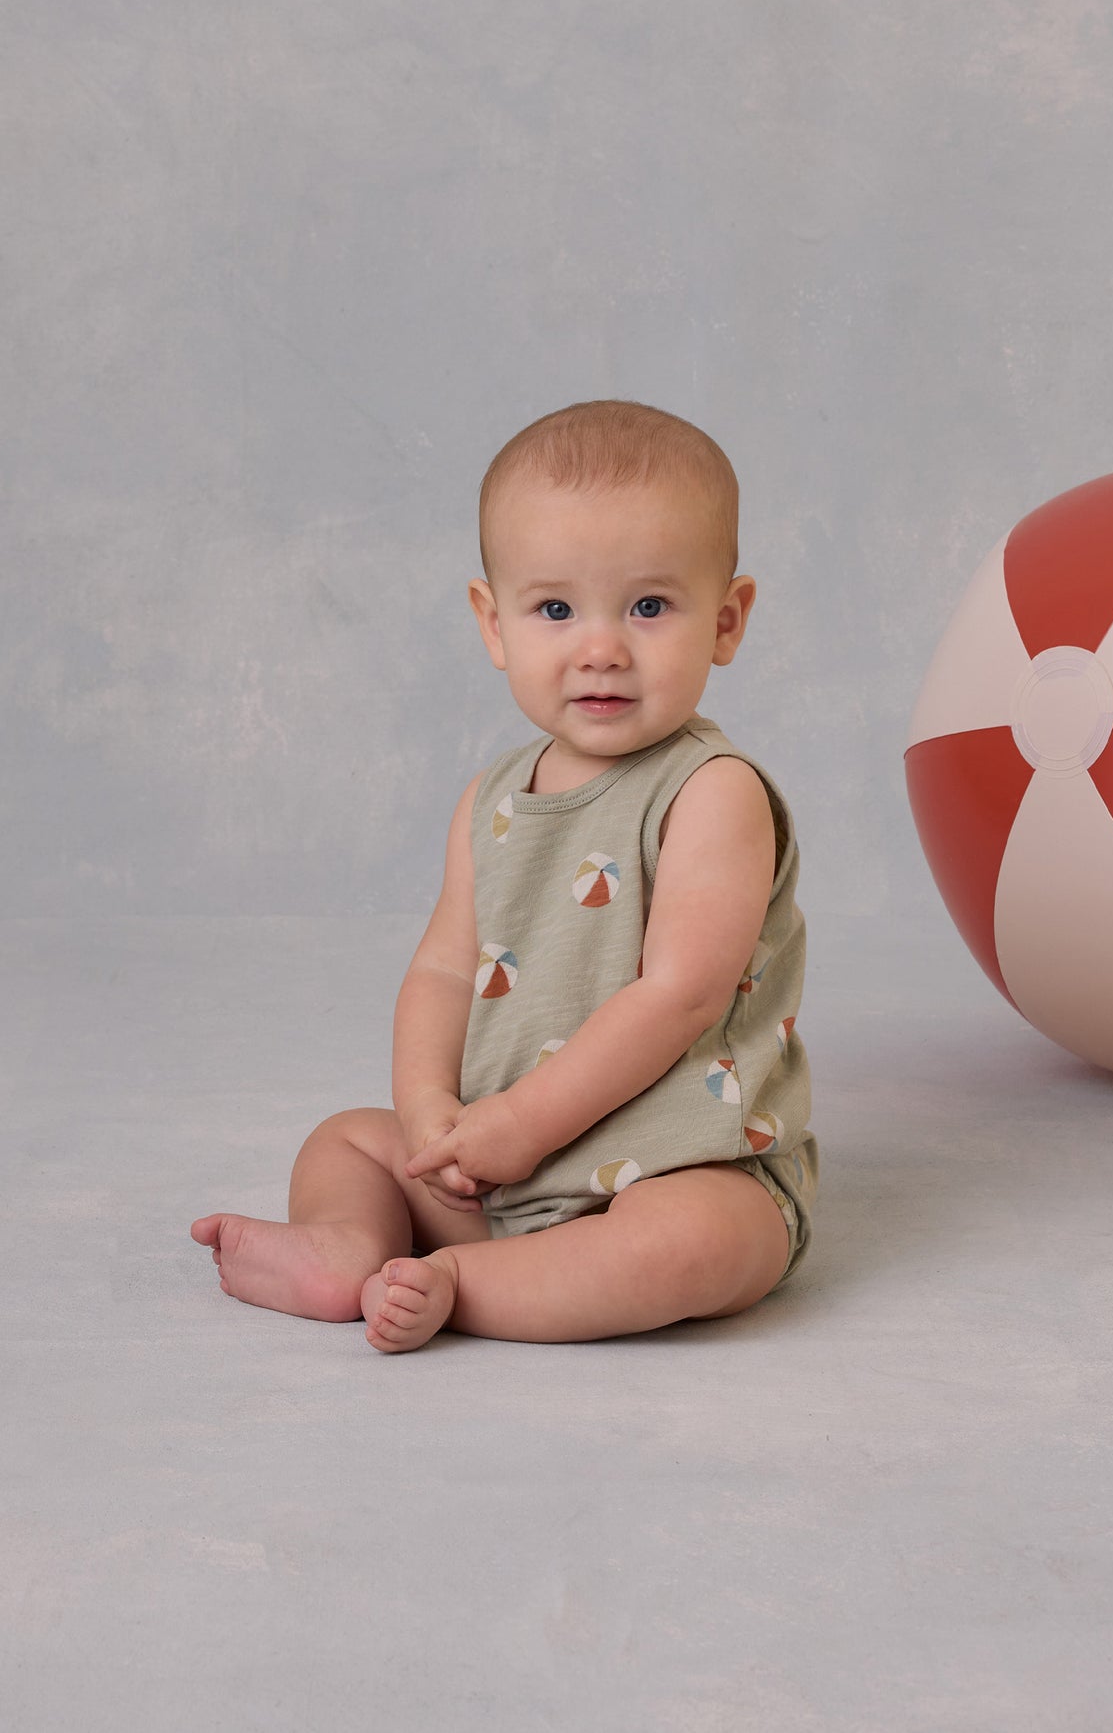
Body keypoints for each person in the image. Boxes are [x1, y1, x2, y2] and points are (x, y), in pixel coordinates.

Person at [191, 400, 817, 1351]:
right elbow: (443, 970)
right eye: (555, 609)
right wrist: (431, 1113)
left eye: (649, 606)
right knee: (350, 1140)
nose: (599, 647)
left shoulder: (710, 792)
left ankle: (453, 1280)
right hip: (499, 1173)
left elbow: (681, 994)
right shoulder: (492, 799)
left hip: (674, 1167)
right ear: (493, 623)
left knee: (697, 1246)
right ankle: (349, 1248)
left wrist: (522, 1123)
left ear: (725, 621)